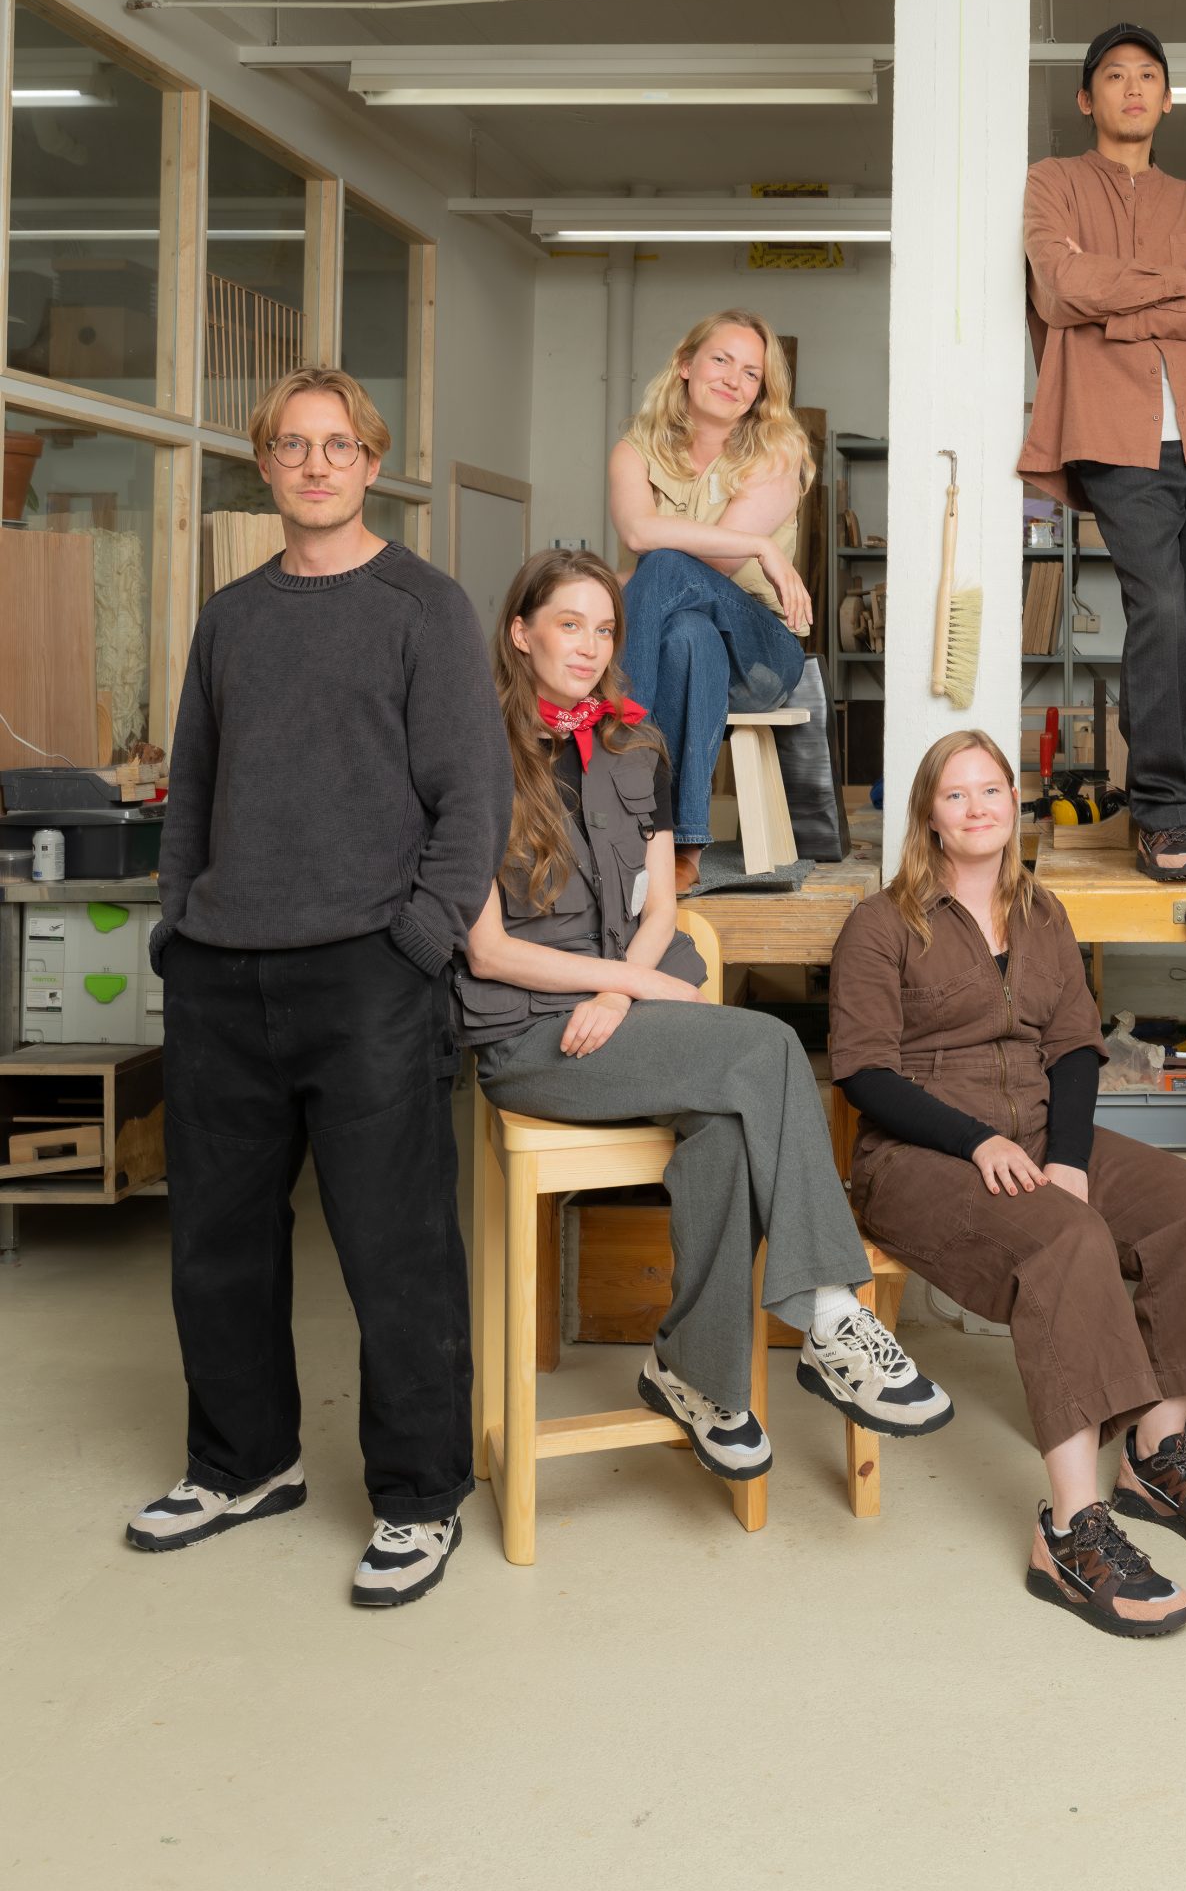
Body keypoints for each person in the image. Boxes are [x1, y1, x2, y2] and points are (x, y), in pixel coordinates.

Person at [130, 367, 513, 1610]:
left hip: (368, 977)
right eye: (291, 446)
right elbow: (191, 788)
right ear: (266, 466)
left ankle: (417, 1497)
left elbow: (475, 806)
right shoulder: (231, 618)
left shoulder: (427, 608)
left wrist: (411, 944)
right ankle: (244, 1464)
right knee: (218, 1247)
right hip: (221, 978)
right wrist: (178, 934)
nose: (315, 465)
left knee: (395, 1251)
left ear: (371, 460)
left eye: (337, 445)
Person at [459, 549, 950, 1476]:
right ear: (521, 634)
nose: (591, 645)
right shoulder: (471, 757)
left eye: (605, 629)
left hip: (619, 1012)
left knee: (726, 1135)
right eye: (570, 624)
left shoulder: (632, 746)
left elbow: (659, 912)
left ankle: (694, 1375)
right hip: (529, 1033)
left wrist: (618, 986)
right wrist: (637, 989)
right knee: (766, 1050)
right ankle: (831, 1313)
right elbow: (486, 950)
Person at [830, 729, 1186, 1638]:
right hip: (919, 1157)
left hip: (1038, 1132)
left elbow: (1072, 1046)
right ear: (930, 818)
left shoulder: (1042, 914)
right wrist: (979, 1141)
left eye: (992, 789)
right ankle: (1070, 1529)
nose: (979, 806)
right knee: (1070, 1241)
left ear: (1014, 807)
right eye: (957, 795)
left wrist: (1067, 1157)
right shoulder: (881, 924)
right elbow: (865, 1072)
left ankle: (1156, 1452)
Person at [1018, 23, 1186, 885]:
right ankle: (1163, 812)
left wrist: (1122, 308)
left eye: (1149, 77)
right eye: (1114, 76)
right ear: (1086, 99)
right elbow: (1064, 286)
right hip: (1112, 433)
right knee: (1159, 611)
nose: (1133, 88)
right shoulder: (1052, 184)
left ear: (1167, 99)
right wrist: (1179, 287)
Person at [608, 310, 813, 895]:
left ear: (761, 391)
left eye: (752, 373)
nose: (733, 379)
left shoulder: (777, 451)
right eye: (721, 360)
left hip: (762, 651)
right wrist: (759, 546)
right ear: (685, 365)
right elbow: (639, 533)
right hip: (679, 643)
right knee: (687, 634)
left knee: (670, 568)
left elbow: (693, 562)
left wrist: (638, 572)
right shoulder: (635, 450)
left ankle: (622, 765)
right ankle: (683, 839)